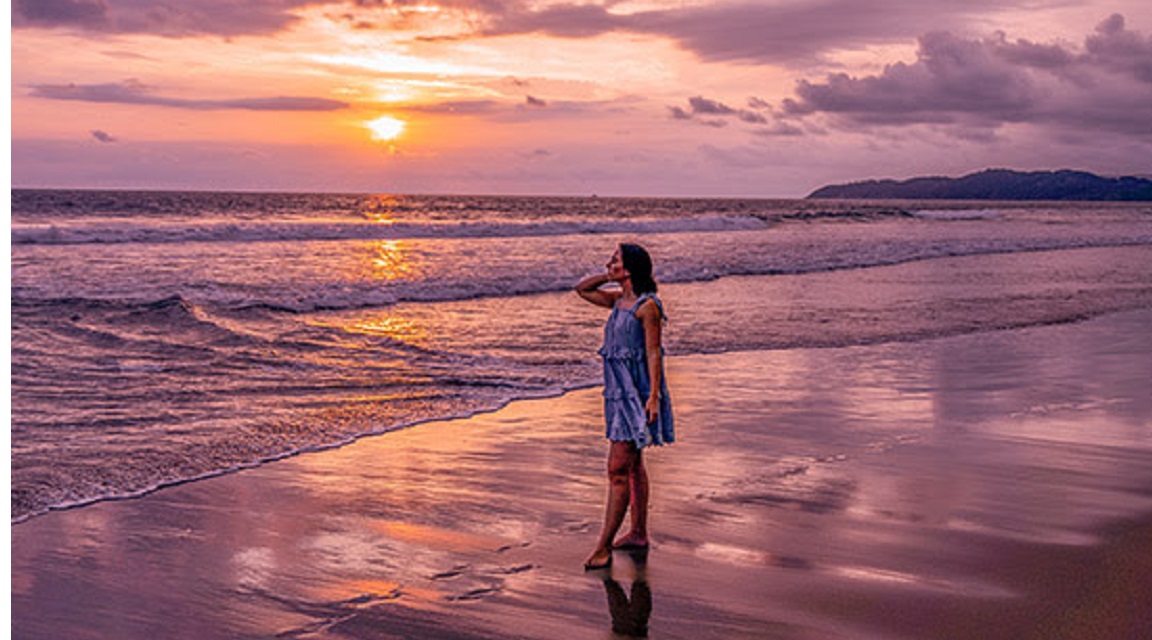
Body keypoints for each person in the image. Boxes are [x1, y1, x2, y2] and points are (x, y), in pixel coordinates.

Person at [575, 243, 674, 571]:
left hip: (638, 395)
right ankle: (638, 533)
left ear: (630, 268)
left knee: (618, 469)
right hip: (618, 393)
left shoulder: (647, 307)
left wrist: (654, 397)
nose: (608, 262)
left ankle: (603, 547)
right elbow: (582, 289)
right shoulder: (619, 301)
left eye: (615, 260)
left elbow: (654, 353)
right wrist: (610, 275)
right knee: (632, 465)